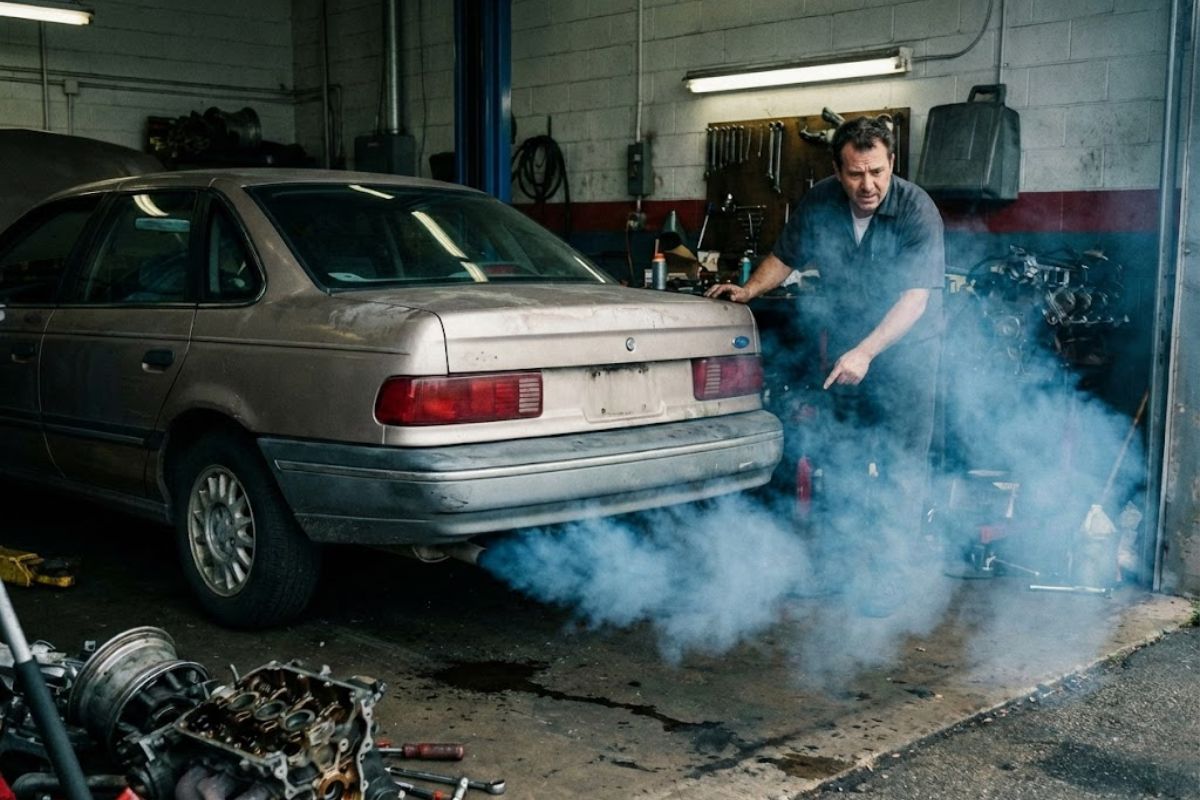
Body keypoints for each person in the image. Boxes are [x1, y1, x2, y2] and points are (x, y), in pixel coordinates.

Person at [706, 116, 946, 603]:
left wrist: (867, 351)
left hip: (904, 357)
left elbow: (915, 300)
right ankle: (841, 567)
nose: (867, 185)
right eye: (855, 174)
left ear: (892, 163)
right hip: (845, 355)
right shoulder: (820, 202)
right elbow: (785, 256)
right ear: (838, 171)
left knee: (899, 467)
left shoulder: (917, 208)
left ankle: (889, 578)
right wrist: (749, 289)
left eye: (877, 171)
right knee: (843, 458)